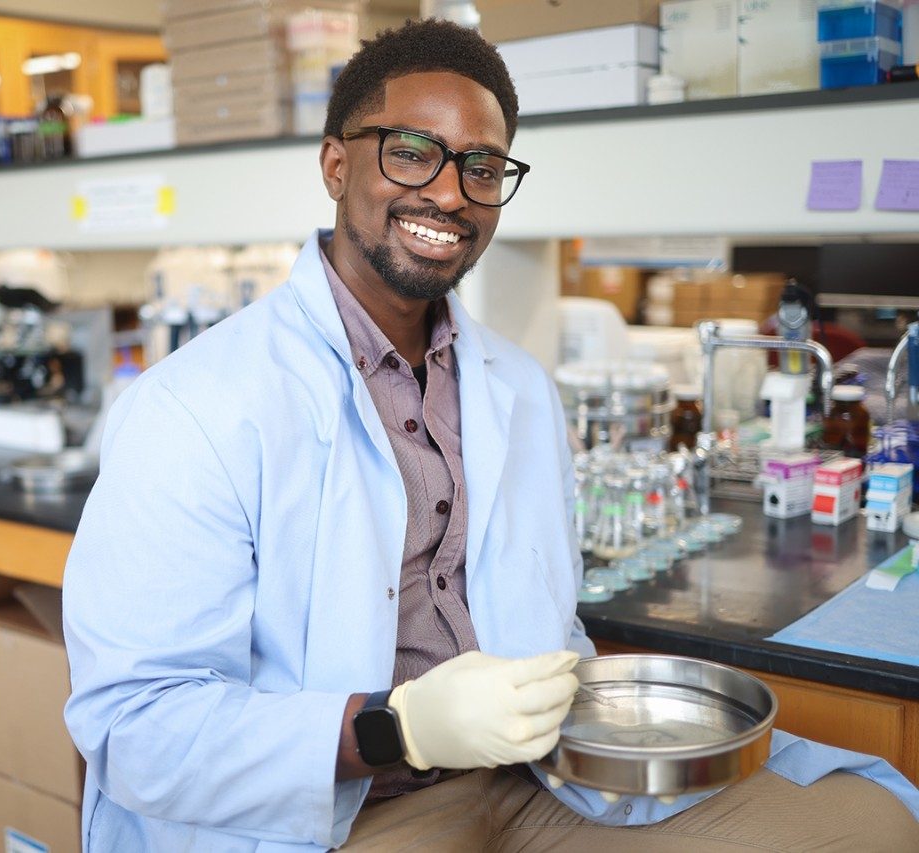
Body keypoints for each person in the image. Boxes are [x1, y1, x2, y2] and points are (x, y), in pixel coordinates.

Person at [62, 20, 919, 852]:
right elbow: (137, 725)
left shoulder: (518, 387)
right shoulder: (196, 405)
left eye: (482, 166)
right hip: (336, 807)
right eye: (410, 151)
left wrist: (589, 713)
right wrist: (398, 728)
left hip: (534, 779)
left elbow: (546, 620)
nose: (448, 193)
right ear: (335, 164)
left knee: (872, 823)